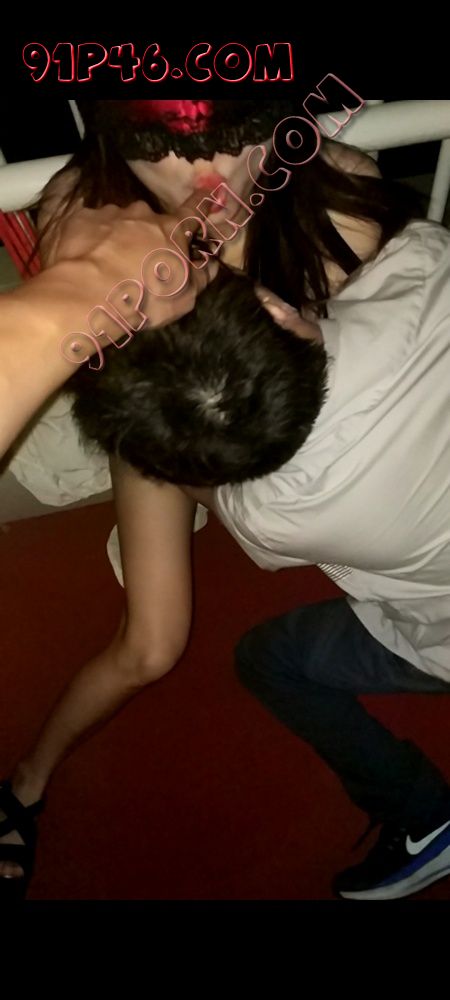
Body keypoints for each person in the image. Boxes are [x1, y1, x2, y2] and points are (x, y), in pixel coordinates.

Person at [0, 98, 434, 901]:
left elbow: (254, 461)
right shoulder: (88, 203)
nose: (207, 170)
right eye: (160, 142)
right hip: (165, 408)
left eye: (237, 134)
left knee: (194, 642)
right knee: (151, 644)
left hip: (239, 426)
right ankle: (25, 783)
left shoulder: (331, 198)